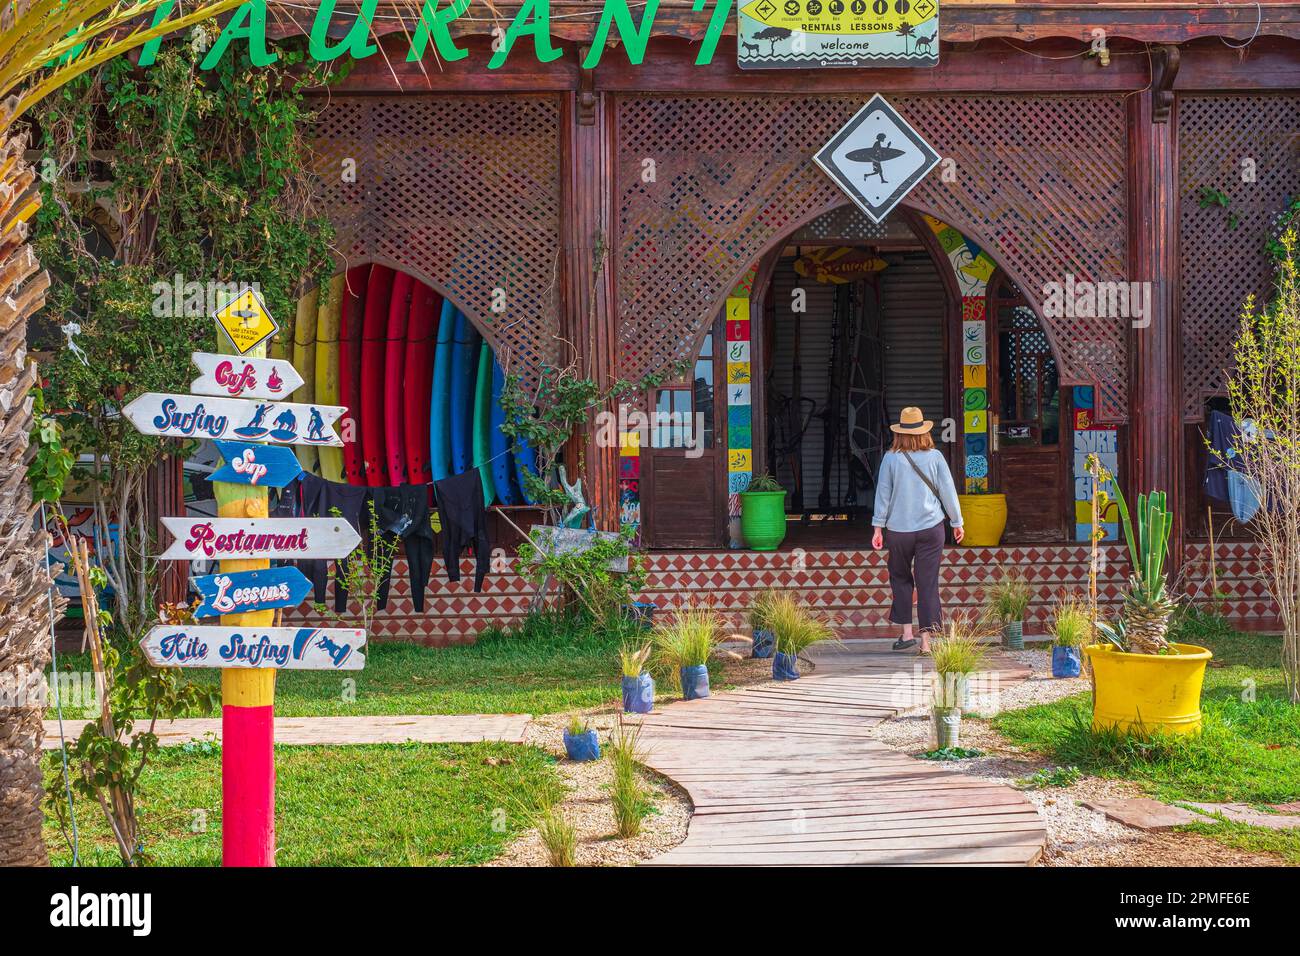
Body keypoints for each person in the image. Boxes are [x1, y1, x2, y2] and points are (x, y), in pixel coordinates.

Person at [870, 407, 964, 655]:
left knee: (900, 579)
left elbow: (883, 495)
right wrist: (957, 522)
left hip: (898, 531)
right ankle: (925, 642)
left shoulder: (891, 458)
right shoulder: (935, 457)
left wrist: (878, 527)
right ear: (924, 431)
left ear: (900, 433)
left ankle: (907, 634)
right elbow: (948, 492)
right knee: (927, 583)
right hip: (931, 529)